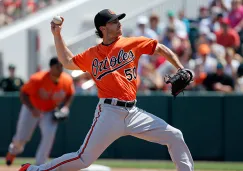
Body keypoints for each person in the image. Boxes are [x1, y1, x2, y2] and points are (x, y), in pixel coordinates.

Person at [19, 9, 194, 171]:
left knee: (175, 135)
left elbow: (160, 48)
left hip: (133, 112)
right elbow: (67, 61)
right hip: (109, 112)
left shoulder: (132, 43)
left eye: (118, 20)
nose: (119, 23)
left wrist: (179, 68)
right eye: (114, 21)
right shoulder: (92, 53)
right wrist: (57, 35)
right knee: (83, 159)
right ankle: (35, 169)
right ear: (103, 28)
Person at [7, 57, 75, 166]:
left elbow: (70, 94)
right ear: (51, 67)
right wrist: (32, 108)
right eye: (58, 66)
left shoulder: (66, 80)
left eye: (62, 66)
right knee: (21, 137)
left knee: (49, 135)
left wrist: (65, 107)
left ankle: (40, 164)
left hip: (49, 111)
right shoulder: (37, 79)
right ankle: (13, 151)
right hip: (32, 108)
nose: (60, 69)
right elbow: (23, 93)